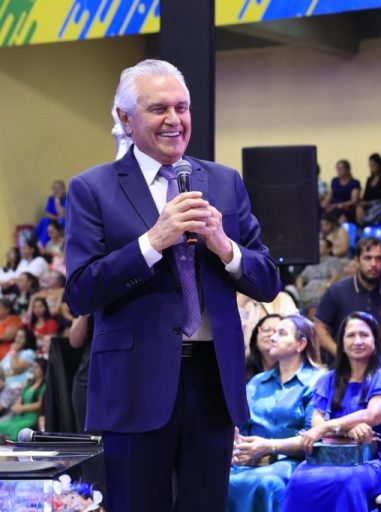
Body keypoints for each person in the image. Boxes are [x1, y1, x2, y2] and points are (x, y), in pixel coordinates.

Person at [64, 59, 281, 511]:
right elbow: (81, 290)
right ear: (125, 118)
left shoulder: (223, 181)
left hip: (212, 383)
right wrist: (152, 241)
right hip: (133, 387)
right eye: (158, 108)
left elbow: (267, 281)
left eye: (181, 107)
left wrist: (225, 247)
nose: (174, 120)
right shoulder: (93, 188)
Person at [282, 312, 381, 511]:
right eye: (351, 335)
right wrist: (346, 431)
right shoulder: (328, 379)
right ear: (342, 342)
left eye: (364, 335)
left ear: (375, 340)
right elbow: (316, 421)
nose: (358, 341)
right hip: (337, 457)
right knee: (299, 478)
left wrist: (330, 426)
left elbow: (373, 416)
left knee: (346, 481)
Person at [228, 315, 324, 512]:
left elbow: (312, 439)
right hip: (250, 459)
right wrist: (235, 446)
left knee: (267, 483)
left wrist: (269, 447)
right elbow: (240, 426)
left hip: (292, 460)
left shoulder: (316, 382)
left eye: (281, 333)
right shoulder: (257, 382)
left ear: (301, 344)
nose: (272, 337)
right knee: (212, 477)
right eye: (271, 332)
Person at [314, 237, 381, 358]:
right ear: (357, 261)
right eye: (368, 258)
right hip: (341, 368)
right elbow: (319, 327)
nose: (373, 264)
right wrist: (340, 354)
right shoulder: (336, 292)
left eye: (378, 259)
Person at [294, 238, 346, 313]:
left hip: (323, 289)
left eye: (321, 245)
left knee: (319, 300)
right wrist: (300, 288)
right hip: (308, 291)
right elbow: (300, 277)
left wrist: (326, 285)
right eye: (316, 245)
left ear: (328, 249)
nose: (317, 247)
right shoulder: (312, 261)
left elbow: (335, 276)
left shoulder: (333, 261)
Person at [0, 357, 46, 440]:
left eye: (36, 367)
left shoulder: (44, 386)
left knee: (16, 428)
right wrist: (17, 406)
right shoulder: (29, 384)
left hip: (32, 417)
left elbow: (40, 404)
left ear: (42, 369)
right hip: (20, 416)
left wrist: (22, 408)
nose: (33, 369)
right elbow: (20, 399)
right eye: (32, 367)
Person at [357, 153, 381, 226]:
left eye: (373, 165)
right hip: (369, 204)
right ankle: (363, 227)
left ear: (379, 165)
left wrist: (370, 203)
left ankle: (369, 222)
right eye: (370, 165)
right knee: (358, 207)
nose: (371, 167)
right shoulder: (369, 179)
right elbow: (366, 196)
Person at [245, 314, 281, 381]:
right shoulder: (242, 369)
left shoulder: (290, 373)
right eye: (266, 329)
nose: (270, 334)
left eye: (277, 331)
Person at [34, 179, 67, 246]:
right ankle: (40, 242)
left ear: (64, 189)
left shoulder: (67, 198)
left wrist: (57, 202)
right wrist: (55, 217)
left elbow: (63, 213)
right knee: (44, 221)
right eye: (54, 188)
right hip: (54, 219)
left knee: (62, 221)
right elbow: (47, 213)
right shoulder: (51, 198)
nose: (56, 190)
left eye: (58, 188)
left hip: (65, 219)